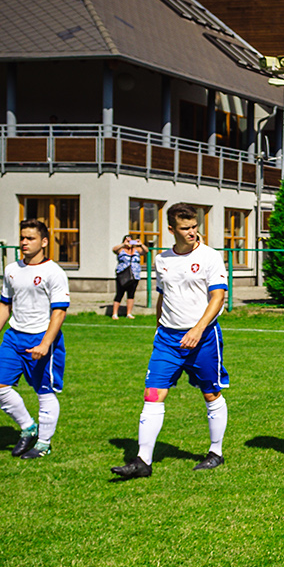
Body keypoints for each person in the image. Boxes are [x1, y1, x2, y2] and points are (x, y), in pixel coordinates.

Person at [111, 204, 231, 479]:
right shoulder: (162, 259)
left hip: (203, 338)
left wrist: (198, 329)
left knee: (211, 393)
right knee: (153, 393)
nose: (191, 232)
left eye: (194, 227)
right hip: (167, 338)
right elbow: (163, 296)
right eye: (185, 228)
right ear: (171, 229)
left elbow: (218, 297)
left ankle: (216, 452)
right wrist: (157, 329)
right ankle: (143, 460)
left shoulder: (210, 257)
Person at [0, 219, 68, 459]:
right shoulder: (11, 269)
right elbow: (4, 304)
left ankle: (43, 443)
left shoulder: (54, 272)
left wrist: (45, 343)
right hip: (13, 338)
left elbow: (59, 311)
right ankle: (28, 427)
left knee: (44, 392)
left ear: (43, 242)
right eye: (22, 237)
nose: (24, 242)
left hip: (41, 338)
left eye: (30, 238)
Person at [111, 234, 143, 319]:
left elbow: (145, 251)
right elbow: (114, 249)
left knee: (131, 294)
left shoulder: (137, 250)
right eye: (127, 241)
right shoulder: (121, 250)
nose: (129, 243)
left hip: (134, 275)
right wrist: (123, 244)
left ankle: (129, 313)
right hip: (122, 274)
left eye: (130, 241)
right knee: (119, 293)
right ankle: (114, 313)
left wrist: (141, 244)